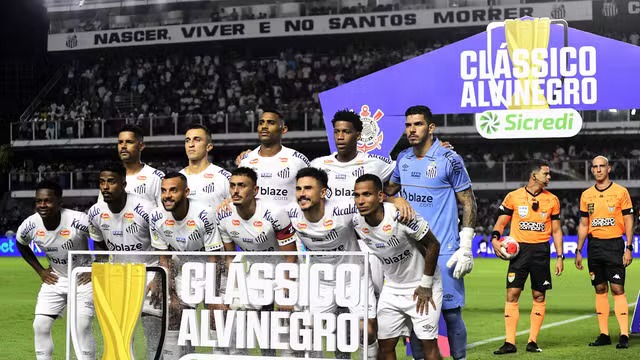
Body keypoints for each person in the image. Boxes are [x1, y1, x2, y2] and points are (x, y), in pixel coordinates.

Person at [384, 105, 477, 360]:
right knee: (417, 313)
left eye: (418, 124)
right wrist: (396, 201)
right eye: (408, 125)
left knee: (450, 313)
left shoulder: (449, 159)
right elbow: (387, 193)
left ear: (431, 128)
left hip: (444, 248)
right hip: (412, 252)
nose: (412, 130)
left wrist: (465, 245)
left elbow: (468, 200)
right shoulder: (403, 158)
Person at [291, 167, 378, 359]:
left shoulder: (344, 209)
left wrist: (397, 199)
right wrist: (229, 203)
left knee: (367, 331)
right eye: (298, 189)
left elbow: (376, 204)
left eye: (307, 188)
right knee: (305, 333)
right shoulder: (290, 213)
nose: (302, 194)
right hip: (320, 282)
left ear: (323, 192)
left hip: (353, 278)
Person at [353, 174, 442, 360]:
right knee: (385, 346)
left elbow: (434, 245)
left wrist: (426, 285)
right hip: (392, 288)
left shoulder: (401, 215)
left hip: (422, 286)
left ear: (379, 196)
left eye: (367, 194)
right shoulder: (356, 220)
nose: (360, 201)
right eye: (357, 195)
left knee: (428, 345)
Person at [216, 167, 299, 356]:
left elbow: (290, 256)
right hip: (255, 271)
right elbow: (231, 258)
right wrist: (234, 288)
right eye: (233, 186)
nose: (235, 190)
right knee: (245, 323)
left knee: (287, 332)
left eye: (242, 186)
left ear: (255, 190)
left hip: (283, 270)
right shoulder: (223, 216)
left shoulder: (275, 213)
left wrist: (286, 290)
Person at [490, 159, 564, 354]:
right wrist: (495, 239)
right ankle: (509, 343)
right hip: (519, 252)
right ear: (534, 176)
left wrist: (559, 256)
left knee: (538, 295)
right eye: (546, 174)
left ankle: (532, 341)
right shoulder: (513, 197)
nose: (549, 177)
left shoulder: (552, 200)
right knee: (512, 294)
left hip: (541, 251)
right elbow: (500, 223)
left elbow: (556, 231)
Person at [88, 164, 160, 360]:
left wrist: (158, 279)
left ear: (123, 183)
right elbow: (100, 247)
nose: (105, 187)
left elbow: (163, 247)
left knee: (152, 335)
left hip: (150, 276)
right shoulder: (95, 212)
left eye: (111, 181)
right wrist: (101, 272)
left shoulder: (146, 209)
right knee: (120, 336)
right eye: (102, 182)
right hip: (119, 277)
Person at [16, 180, 95, 360]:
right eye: (39, 201)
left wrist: (95, 267)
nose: (42, 205)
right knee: (40, 325)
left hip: (83, 280)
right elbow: (21, 244)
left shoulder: (79, 220)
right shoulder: (30, 225)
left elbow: (102, 239)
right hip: (56, 278)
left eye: (48, 201)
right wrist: (40, 271)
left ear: (60, 202)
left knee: (81, 327)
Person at [148, 172, 223, 359]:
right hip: (185, 268)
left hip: (211, 267)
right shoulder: (156, 216)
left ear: (186, 191)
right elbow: (164, 259)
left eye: (173, 190)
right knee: (175, 313)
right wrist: (171, 294)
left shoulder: (205, 213)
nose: (167, 196)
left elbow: (216, 257)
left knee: (217, 317)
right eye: (164, 191)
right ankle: (179, 356)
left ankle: (220, 354)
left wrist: (213, 296)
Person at [575, 155, 634, 349]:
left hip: (615, 245)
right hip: (595, 247)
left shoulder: (621, 192)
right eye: (595, 167)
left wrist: (628, 247)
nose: (598, 170)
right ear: (592, 170)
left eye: (602, 166)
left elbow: (628, 221)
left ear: (609, 169)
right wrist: (578, 250)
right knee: (600, 289)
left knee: (617, 288)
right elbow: (584, 224)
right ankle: (604, 334)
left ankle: (624, 334)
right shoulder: (586, 195)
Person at [237, 108, 310, 217]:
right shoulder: (246, 161)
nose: (264, 126)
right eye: (261, 123)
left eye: (271, 123)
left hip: (290, 229)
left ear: (283, 129)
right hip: (256, 229)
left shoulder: (298, 160)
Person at [98, 124, 164, 205]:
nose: (123, 146)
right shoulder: (109, 177)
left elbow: (163, 213)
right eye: (120, 142)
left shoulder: (156, 177)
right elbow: (102, 210)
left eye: (129, 142)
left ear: (141, 146)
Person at [180, 124, 230, 209]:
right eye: (187, 140)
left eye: (197, 140)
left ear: (209, 147)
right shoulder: (177, 179)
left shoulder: (224, 177)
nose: (191, 144)